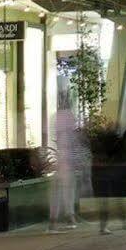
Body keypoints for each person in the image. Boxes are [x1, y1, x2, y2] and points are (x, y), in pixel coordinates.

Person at [49, 89, 89, 231]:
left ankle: (54, 221)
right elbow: (74, 141)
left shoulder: (55, 117)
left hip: (59, 161)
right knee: (68, 191)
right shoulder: (69, 117)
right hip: (67, 163)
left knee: (58, 193)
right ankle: (69, 217)